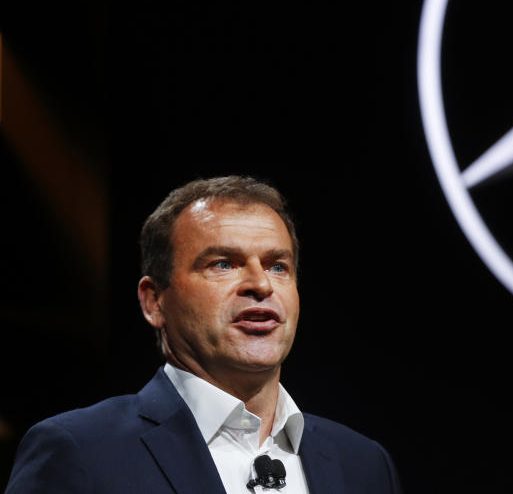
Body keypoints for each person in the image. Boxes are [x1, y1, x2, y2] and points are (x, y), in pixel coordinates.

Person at [6, 176, 401, 493]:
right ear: (154, 301)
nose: (260, 284)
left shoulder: (363, 463)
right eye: (223, 263)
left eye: (278, 266)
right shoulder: (81, 452)